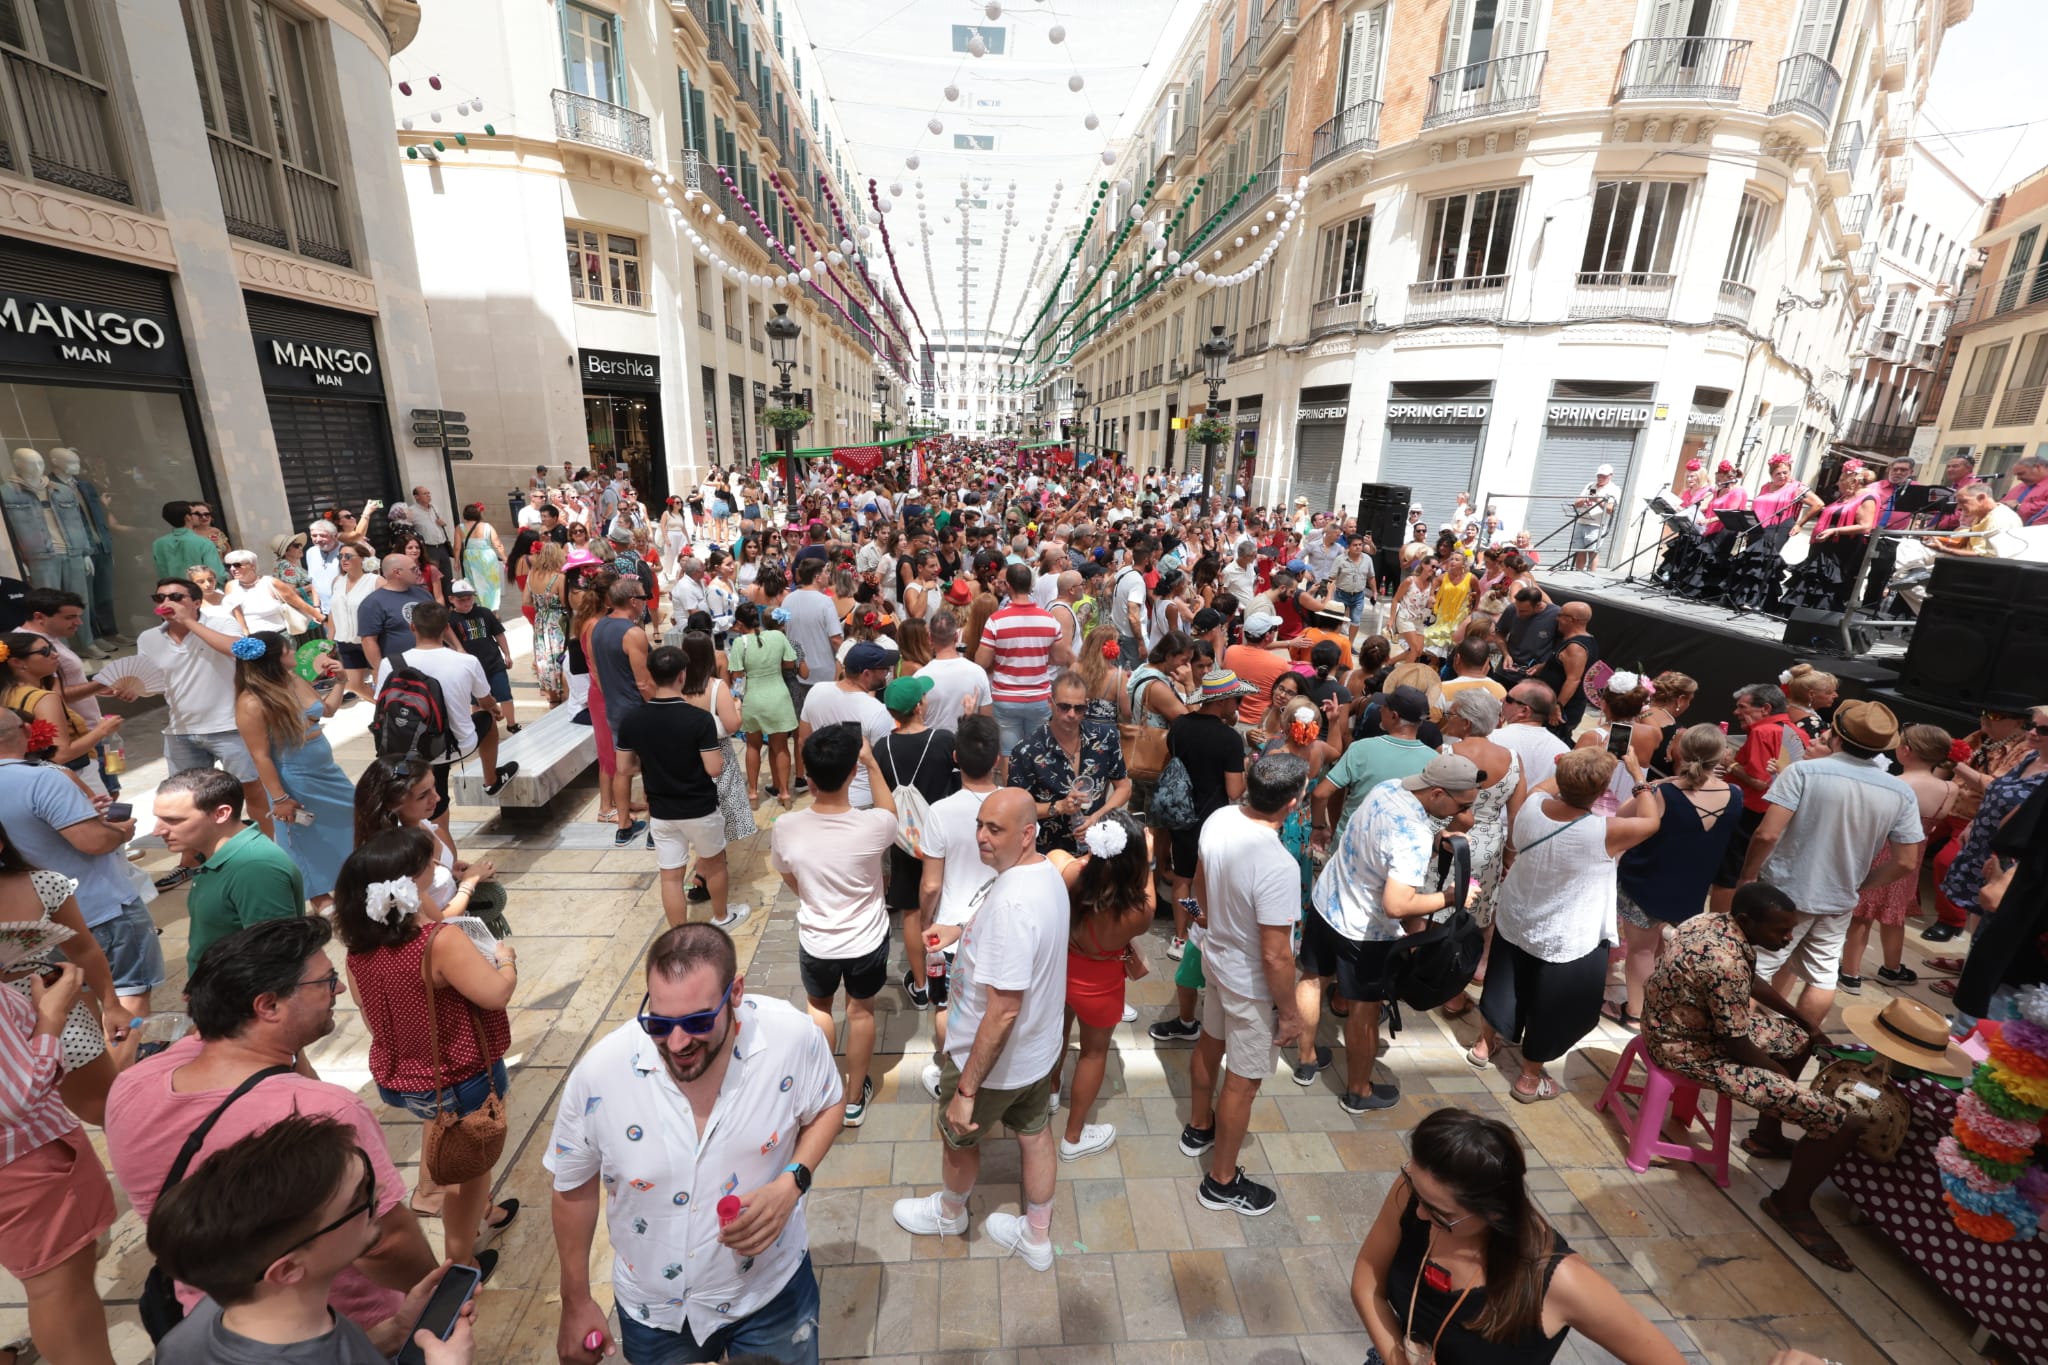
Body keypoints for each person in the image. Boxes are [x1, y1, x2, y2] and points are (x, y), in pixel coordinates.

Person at [104, 917, 439, 1350]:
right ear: (268, 1006)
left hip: (211, 1318)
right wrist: (437, 1294)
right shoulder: (326, 1114)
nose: (337, 990)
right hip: (342, 1332)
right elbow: (385, 1244)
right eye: (327, 980)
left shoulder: (134, 1083)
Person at [548, 923, 843, 1365]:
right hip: (655, 1312)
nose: (678, 1042)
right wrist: (575, 1299)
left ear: (736, 992)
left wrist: (792, 1183)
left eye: (698, 1022)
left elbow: (828, 1105)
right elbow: (573, 1186)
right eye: (660, 1024)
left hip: (770, 1291)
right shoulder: (600, 1076)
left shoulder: (792, 1039)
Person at [1643, 884, 1867, 1273]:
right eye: (1781, 931)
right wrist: (1782, 1082)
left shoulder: (1715, 920)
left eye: (1790, 929)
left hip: (1680, 1025)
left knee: (1799, 1040)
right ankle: (1789, 1206)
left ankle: (1766, 1135)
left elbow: (1748, 983)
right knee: (1840, 1122)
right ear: (1748, 921)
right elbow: (1736, 1044)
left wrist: (1806, 1023)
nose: (1787, 938)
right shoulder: (1724, 961)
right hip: (1688, 1047)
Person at [1350, 1107, 1686, 1365]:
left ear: (1494, 1212)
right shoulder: (1416, 1192)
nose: (1420, 1213)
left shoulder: (1558, 1280)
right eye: (1415, 1190)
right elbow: (1367, 1283)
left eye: (1442, 1214)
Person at [893, 788, 1067, 1271]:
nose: (981, 838)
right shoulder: (1041, 874)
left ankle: (950, 1212)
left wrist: (967, 1088)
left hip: (991, 1063)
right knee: (1035, 1135)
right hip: (1037, 1052)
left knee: (957, 1136)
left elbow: (1004, 1010)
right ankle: (1036, 1236)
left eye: (995, 829)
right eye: (979, 825)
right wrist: (960, 931)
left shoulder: (1013, 906)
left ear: (1027, 833)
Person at [335, 829, 518, 1275]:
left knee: (456, 1151)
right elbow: (495, 994)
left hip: (405, 1077)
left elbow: (367, 1008)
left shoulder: (359, 951)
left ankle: (486, 1210)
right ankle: (462, 1260)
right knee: (465, 1176)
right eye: (426, 870)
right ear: (408, 884)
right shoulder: (440, 943)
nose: (436, 872)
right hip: (461, 1075)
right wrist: (506, 958)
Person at [1470, 749, 1659, 1102]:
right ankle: (1528, 1078)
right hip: (1567, 933)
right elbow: (1651, 822)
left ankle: (1484, 1045)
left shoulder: (1531, 805)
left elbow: (1547, 784)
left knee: (1504, 982)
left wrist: (1571, 766)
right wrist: (1637, 775)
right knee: (1552, 1005)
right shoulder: (1604, 831)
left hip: (1517, 915)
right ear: (1601, 789)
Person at [1305, 755, 1482, 1112]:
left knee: (1311, 979)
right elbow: (1397, 906)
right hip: (1363, 932)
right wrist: (1451, 896)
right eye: (1461, 805)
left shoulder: (1389, 789)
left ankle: (1306, 1058)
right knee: (1364, 1011)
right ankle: (1359, 1092)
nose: (1464, 815)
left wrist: (1437, 843)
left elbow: (1379, 840)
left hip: (1328, 901)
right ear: (1436, 794)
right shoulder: (1413, 835)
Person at [1178, 754, 1311, 1214]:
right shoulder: (1278, 865)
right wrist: (1291, 1013)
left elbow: (1195, 884)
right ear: (1292, 803)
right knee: (1243, 1084)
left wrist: (1205, 922)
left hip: (1216, 960)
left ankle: (1198, 1126)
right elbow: (1276, 954)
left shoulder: (1219, 819)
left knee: (1210, 1043)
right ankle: (1221, 1181)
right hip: (1251, 985)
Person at [1737, 700, 1924, 1027]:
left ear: (1836, 734)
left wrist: (1748, 876)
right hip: (1838, 898)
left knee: (1756, 969)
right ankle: (1796, 1047)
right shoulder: (1900, 791)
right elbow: (1907, 862)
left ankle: (1730, 1045)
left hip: (1782, 892)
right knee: (1822, 977)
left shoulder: (1804, 772)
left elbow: (1766, 835)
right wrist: (1859, 884)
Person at [772, 724, 898, 1126]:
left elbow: (788, 875)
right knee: (860, 1012)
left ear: (807, 776)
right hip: (866, 939)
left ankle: (825, 1087)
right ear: (850, 775)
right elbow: (889, 812)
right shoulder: (873, 827)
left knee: (819, 1008)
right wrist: (871, 762)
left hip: (817, 939)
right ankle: (855, 1092)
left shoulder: (786, 827)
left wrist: (811, 896)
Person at [0, 711, 158, 1026]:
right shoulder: (43, 777)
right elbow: (93, 842)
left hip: (33, 925)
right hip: (100, 910)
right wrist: (123, 830)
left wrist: (81, 812)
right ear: (26, 731)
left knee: (78, 1006)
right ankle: (130, 1070)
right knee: (128, 1001)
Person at [0, 962, 120, 1365]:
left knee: (52, 1283)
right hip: (26, 1160)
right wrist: (52, 1016)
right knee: (59, 1287)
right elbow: (14, 1098)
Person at [1608, 724, 1741, 1030]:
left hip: (1646, 881)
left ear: (1680, 752)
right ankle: (1656, 1001)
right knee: (1657, 948)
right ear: (1720, 756)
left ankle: (1635, 1012)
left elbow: (1622, 816)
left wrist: (1642, 782)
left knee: (1641, 949)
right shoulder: (1734, 794)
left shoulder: (1662, 791)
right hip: (1691, 887)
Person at [1049, 810, 1153, 1160]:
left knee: (1057, 1033)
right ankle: (1074, 1137)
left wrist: (1087, 857)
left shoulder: (1066, 872)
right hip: (1102, 983)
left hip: (1061, 971)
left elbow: (1057, 857)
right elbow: (1145, 887)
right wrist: (1147, 857)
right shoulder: (1140, 909)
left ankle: (1051, 1091)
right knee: (1094, 1053)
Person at [618, 644, 738, 931]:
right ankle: (721, 917)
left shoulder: (633, 719)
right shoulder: (699, 719)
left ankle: (678, 931)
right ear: (682, 675)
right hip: (700, 807)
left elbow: (624, 768)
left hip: (661, 810)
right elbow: (714, 768)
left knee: (671, 876)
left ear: (652, 675)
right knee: (715, 863)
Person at [233, 631, 353, 912]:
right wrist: (279, 798)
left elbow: (328, 710)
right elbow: (260, 755)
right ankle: (318, 895)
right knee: (301, 834)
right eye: (289, 649)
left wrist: (341, 682)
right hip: (295, 775)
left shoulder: (293, 679)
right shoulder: (251, 702)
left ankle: (348, 878)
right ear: (278, 656)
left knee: (354, 816)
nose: (294, 653)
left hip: (325, 770)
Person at [914, 714, 1002, 1097]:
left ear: (955, 757)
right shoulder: (1014, 806)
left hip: (951, 932)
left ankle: (950, 1074)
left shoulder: (941, 811)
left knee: (947, 1009)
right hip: (999, 928)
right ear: (998, 757)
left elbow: (931, 884)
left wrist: (926, 919)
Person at [375, 599, 519, 823]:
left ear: (413, 627)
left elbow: (382, 705)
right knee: (487, 719)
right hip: (453, 745)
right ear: (446, 628)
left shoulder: (390, 663)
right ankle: (491, 780)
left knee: (433, 814)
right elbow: (485, 699)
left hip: (406, 748)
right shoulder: (466, 661)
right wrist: (494, 708)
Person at [1840, 723, 1955, 993]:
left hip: (1882, 854)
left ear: (1905, 751)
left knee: (1861, 916)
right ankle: (1891, 968)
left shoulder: (1894, 784)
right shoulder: (1950, 789)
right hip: (1913, 857)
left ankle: (1850, 973)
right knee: (1895, 917)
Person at [154, 766, 305, 972]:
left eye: (173, 820)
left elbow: (275, 957)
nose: (157, 831)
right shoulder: (211, 856)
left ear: (221, 813)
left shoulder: (255, 869)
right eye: (158, 818)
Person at [876, 675, 959, 1007]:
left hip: (904, 841)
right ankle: (945, 979)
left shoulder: (882, 747)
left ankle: (922, 986)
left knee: (911, 910)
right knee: (945, 904)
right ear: (920, 705)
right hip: (941, 836)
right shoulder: (943, 740)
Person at [1162, 670, 1252, 950]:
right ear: (1223, 701)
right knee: (1207, 881)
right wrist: (1249, 768)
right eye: (1237, 698)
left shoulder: (1179, 726)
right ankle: (1202, 928)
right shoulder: (1230, 739)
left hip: (1180, 814)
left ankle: (1179, 935)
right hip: (1213, 821)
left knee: (1183, 878)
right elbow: (1235, 791)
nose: (1238, 704)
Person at [1008, 669, 1132, 855]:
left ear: (1087, 706)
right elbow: (1017, 808)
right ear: (1050, 703)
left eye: (1079, 708)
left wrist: (1097, 816)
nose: (1072, 714)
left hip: (1096, 847)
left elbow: (1123, 787)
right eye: (1064, 707)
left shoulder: (1106, 737)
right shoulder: (1027, 750)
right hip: (1050, 853)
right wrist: (1058, 807)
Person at [16, 589, 114, 792]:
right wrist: (101, 683)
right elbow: (57, 695)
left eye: (79, 616)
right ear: (39, 617)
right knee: (101, 806)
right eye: (69, 617)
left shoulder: (45, 641)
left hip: (84, 735)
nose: (78, 623)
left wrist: (94, 689)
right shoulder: (33, 652)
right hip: (77, 740)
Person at [1313, 684, 1436, 845]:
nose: (1379, 710)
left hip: (1352, 846)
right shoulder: (1435, 761)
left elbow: (1320, 794)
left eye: (1383, 707)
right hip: (1399, 851)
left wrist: (1319, 827)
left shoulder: (1361, 748)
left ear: (1394, 716)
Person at [977, 563, 1068, 752]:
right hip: (1039, 695)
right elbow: (1060, 657)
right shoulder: (1049, 620)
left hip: (1006, 695)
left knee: (1009, 753)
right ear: (1030, 585)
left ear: (1008, 585)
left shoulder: (996, 621)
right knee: (1039, 752)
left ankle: (1012, 782)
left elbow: (982, 662)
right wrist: (1038, 655)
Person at [798, 641, 898, 810]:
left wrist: (811, 775)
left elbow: (803, 741)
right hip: (864, 800)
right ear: (866, 674)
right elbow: (885, 764)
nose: (887, 674)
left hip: (824, 795)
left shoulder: (816, 691)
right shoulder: (877, 711)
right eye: (884, 670)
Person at [0, 628, 118, 772]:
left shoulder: (7, 695)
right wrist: (103, 729)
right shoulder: (44, 698)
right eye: (44, 652)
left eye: (51, 648)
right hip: (74, 774)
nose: (55, 655)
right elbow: (60, 755)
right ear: (17, 662)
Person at [728, 600, 804, 806]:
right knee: (780, 747)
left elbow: (736, 674)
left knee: (752, 746)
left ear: (740, 623)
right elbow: (790, 663)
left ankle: (753, 793)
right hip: (778, 695)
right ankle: (785, 793)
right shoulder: (778, 636)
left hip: (753, 697)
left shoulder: (739, 643)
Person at [353, 553, 442, 672]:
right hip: (400, 670)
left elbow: (441, 624)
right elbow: (369, 641)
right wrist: (382, 671)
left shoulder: (423, 594)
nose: (419, 572)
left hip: (434, 662)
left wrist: (458, 647)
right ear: (397, 573)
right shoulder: (372, 603)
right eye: (413, 569)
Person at [326, 539, 382, 706]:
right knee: (353, 684)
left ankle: (387, 714)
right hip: (346, 641)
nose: (344, 559)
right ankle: (384, 709)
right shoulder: (337, 582)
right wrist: (330, 639)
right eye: (341, 556)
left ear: (362, 560)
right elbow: (332, 611)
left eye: (349, 556)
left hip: (372, 640)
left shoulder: (375, 581)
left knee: (382, 684)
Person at [221, 549, 324, 638]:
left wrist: (324, 619)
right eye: (228, 566)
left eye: (237, 565)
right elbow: (234, 613)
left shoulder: (271, 583)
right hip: (250, 639)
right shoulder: (231, 586)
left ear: (252, 566)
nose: (232, 569)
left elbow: (299, 603)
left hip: (279, 636)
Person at [1533, 601, 1597, 741]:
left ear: (1572, 620)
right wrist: (1544, 667)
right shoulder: (1574, 640)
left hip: (1561, 712)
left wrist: (1557, 707)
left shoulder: (1576, 647)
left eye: (1561, 615)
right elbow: (1563, 663)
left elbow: (1573, 680)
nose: (1557, 619)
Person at [526, 540, 571, 707]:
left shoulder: (532, 575)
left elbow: (526, 601)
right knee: (560, 657)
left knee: (545, 657)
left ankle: (552, 698)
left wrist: (541, 606)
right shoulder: (559, 578)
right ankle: (565, 696)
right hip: (557, 622)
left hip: (540, 621)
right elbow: (566, 603)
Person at [152, 499, 227, 583]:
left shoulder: (158, 544)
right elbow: (218, 575)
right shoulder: (204, 543)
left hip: (173, 591)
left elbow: (163, 573)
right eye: (196, 514)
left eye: (207, 514)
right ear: (188, 517)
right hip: (199, 591)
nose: (201, 517)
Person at [1568, 464, 1618, 572]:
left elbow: (1610, 509)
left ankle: (1591, 577)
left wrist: (1598, 501)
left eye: (1603, 476)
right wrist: (1584, 500)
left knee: (1593, 551)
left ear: (1610, 476)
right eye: (1599, 476)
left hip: (1597, 525)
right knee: (1579, 550)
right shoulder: (1591, 485)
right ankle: (1578, 574)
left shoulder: (1614, 489)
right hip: (1582, 521)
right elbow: (1576, 503)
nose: (1600, 478)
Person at [456, 503, 506, 610]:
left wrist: (456, 561)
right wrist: (505, 558)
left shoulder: (460, 528)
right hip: (487, 556)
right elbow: (497, 544)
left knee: (473, 582)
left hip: (470, 558)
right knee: (491, 584)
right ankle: (493, 609)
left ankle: (478, 608)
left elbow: (457, 547)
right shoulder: (487, 526)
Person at [403, 485, 455, 583]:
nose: (428, 495)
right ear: (417, 497)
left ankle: (449, 596)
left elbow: (440, 523)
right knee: (434, 577)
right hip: (428, 547)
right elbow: (408, 530)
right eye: (425, 493)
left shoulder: (434, 507)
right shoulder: (411, 511)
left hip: (442, 546)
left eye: (428, 493)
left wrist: (443, 523)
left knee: (447, 576)